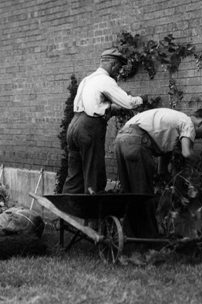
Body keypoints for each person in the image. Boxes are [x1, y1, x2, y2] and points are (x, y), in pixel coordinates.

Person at [114, 107, 202, 237]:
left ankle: (131, 236)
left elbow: (163, 166)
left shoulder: (173, 125)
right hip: (136, 142)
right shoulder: (188, 123)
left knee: (130, 193)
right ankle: (149, 239)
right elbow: (186, 153)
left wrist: (171, 186)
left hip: (121, 139)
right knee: (143, 194)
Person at [62, 48, 146, 195]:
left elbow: (95, 105)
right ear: (113, 64)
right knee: (94, 174)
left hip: (73, 126)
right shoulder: (106, 80)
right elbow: (128, 103)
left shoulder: (87, 79)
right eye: (118, 68)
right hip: (89, 128)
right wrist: (141, 100)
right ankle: (93, 215)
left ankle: (67, 214)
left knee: (74, 176)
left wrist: (111, 109)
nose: (118, 72)